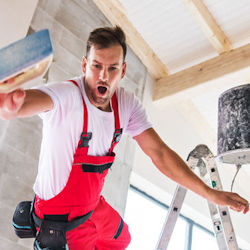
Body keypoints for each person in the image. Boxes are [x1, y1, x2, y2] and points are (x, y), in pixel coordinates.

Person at [0, 26, 249, 250]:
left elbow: (159, 154)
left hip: (93, 208)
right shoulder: (67, 96)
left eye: (112, 68)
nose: (103, 77)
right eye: (96, 66)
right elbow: (25, 104)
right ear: (84, 65)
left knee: (121, 239)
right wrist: (11, 106)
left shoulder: (126, 105)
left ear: (123, 70)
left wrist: (211, 193)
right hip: (59, 219)